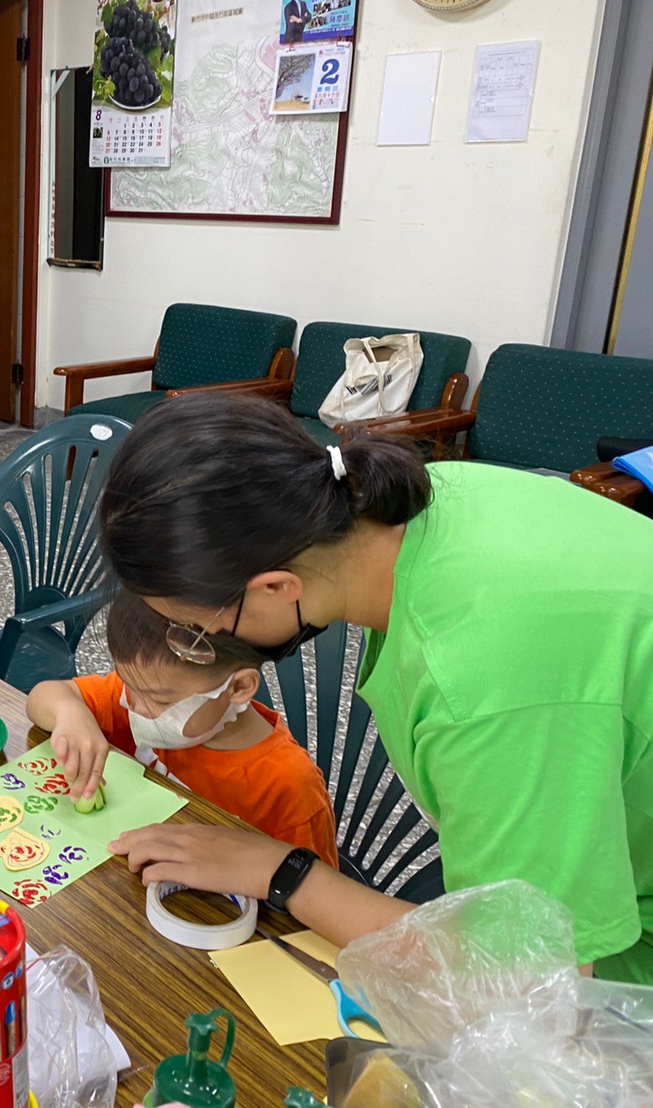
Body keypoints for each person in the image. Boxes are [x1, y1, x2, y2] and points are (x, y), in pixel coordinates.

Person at [97, 392, 653, 984]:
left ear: (276, 588)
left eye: (193, 633)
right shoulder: (419, 503)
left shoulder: (479, 677)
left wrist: (284, 872)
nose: (194, 649)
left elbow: (525, 980)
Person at [27, 590, 338, 864]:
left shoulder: (290, 787)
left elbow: (317, 904)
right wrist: (70, 712)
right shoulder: (140, 694)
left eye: (159, 699)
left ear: (239, 687)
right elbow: (41, 698)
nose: (131, 704)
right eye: (126, 683)